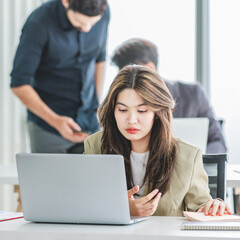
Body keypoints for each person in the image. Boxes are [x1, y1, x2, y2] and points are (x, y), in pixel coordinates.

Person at [84, 65, 231, 216]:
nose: (132, 120)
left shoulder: (188, 156)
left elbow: (200, 207)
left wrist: (212, 207)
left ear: (158, 112)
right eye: (122, 110)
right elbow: (83, 201)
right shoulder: (95, 146)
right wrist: (120, 207)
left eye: (142, 111)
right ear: (112, 110)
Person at [10, 0, 110, 154]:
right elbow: (19, 84)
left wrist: (97, 103)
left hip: (89, 122)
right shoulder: (38, 23)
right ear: (65, 2)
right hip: (48, 128)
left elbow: (100, 59)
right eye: (79, 22)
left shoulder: (103, 11)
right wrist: (55, 121)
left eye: (93, 23)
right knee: (50, 178)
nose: (87, 28)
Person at [111, 38, 227, 154]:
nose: (127, 81)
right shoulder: (119, 100)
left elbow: (217, 141)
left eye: (142, 110)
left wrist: (196, 162)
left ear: (150, 68)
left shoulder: (192, 94)